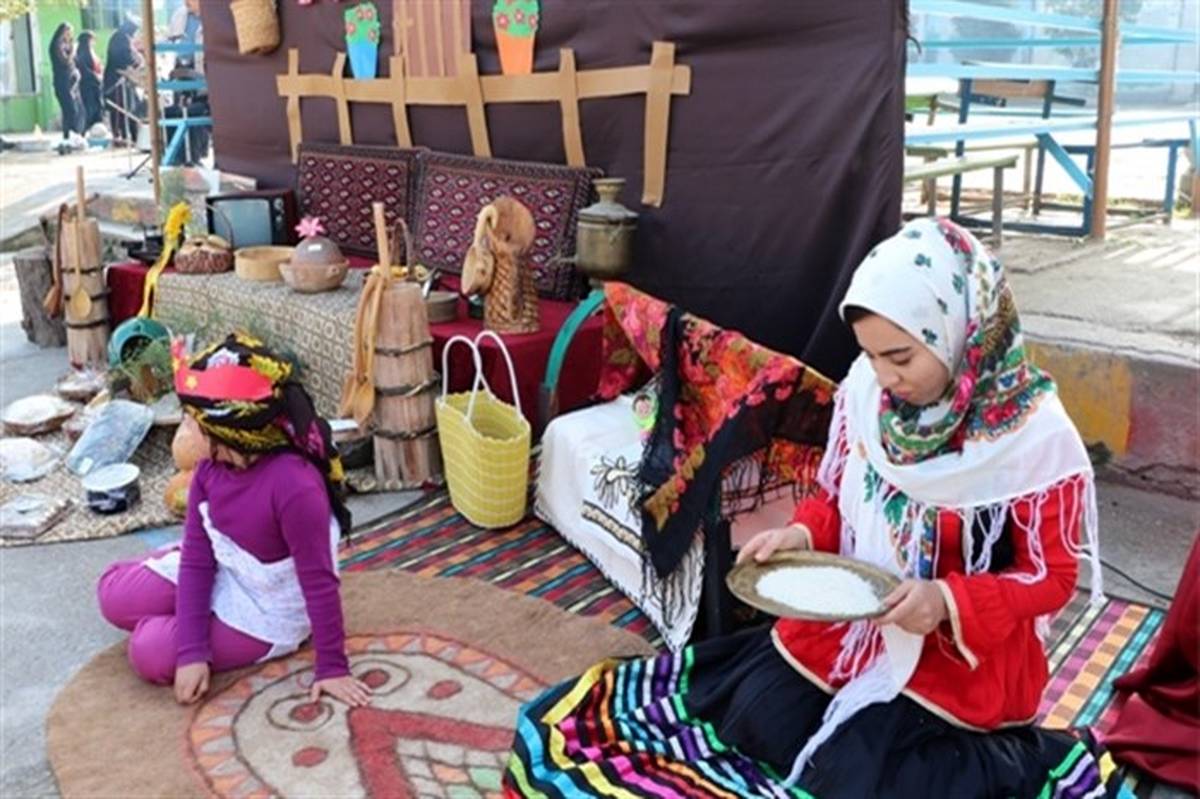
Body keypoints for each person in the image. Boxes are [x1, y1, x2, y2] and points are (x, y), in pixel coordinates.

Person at [505, 218, 1129, 798]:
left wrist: (946, 602)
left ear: (963, 332)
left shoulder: (1033, 442)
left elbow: (1051, 578)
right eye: (873, 354)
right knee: (759, 719)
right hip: (855, 625)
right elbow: (841, 494)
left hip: (954, 658)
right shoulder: (867, 394)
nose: (885, 377)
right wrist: (803, 534)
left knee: (861, 773)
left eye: (902, 356)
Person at [97, 333, 371, 709]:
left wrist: (333, 667)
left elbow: (318, 580)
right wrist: (193, 651)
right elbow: (198, 559)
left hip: (268, 609)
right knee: (112, 595)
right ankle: (182, 599)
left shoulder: (294, 485)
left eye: (193, 422)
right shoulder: (209, 470)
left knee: (149, 651)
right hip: (229, 568)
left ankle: (185, 609)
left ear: (227, 432)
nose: (186, 430)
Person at [103, 16, 145, 146]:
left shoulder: (124, 38)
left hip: (125, 80)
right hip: (117, 81)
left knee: (130, 109)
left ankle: (132, 136)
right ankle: (121, 136)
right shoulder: (120, 38)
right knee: (120, 110)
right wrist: (137, 61)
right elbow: (124, 57)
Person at [49, 23, 84, 139]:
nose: (69, 36)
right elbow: (65, 61)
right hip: (62, 81)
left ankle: (72, 135)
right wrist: (73, 50)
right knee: (70, 109)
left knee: (75, 109)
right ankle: (69, 135)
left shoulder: (65, 45)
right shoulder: (57, 45)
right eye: (67, 32)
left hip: (71, 81)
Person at [75, 31, 105, 130]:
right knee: (89, 109)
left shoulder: (91, 52)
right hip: (87, 85)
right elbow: (84, 69)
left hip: (95, 85)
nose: (94, 43)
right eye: (92, 40)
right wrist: (96, 77)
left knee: (97, 108)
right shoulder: (81, 53)